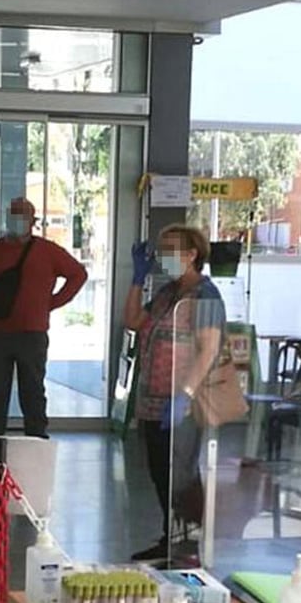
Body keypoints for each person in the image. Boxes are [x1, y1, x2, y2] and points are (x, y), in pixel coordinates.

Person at [124, 225, 226, 565]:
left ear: (192, 253)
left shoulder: (205, 295)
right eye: (161, 248)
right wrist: (137, 279)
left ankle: (189, 547)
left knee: (180, 475)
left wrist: (184, 393)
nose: (162, 255)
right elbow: (133, 320)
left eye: (171, 248)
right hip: (153, 402)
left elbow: (209, 348)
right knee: (160, 473)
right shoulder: (168, 293)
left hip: (182, 403)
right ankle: (171, 540)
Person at [0, 197, 88, 437]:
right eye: (14, 214)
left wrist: (51, 304)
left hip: (31, 335)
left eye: (23, 215)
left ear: (33, 221)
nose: (18, 220)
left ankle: (37, 443)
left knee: (32, 393)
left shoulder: (47, 251)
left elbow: (78, 274)